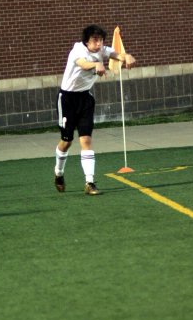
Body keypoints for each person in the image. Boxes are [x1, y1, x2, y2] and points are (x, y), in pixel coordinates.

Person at [54, 24, 136, 195]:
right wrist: (96, 64)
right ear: (86, 41)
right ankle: (59, 173)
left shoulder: (102, 49)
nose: (98, 44)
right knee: (67, 141)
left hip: (85, 99)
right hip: (67, 99)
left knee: (86, 141)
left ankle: (89, 182)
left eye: (100, 40)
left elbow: (116, 54)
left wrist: (126, 56)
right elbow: (83, 64)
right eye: (94, 40)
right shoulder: (78, 50)